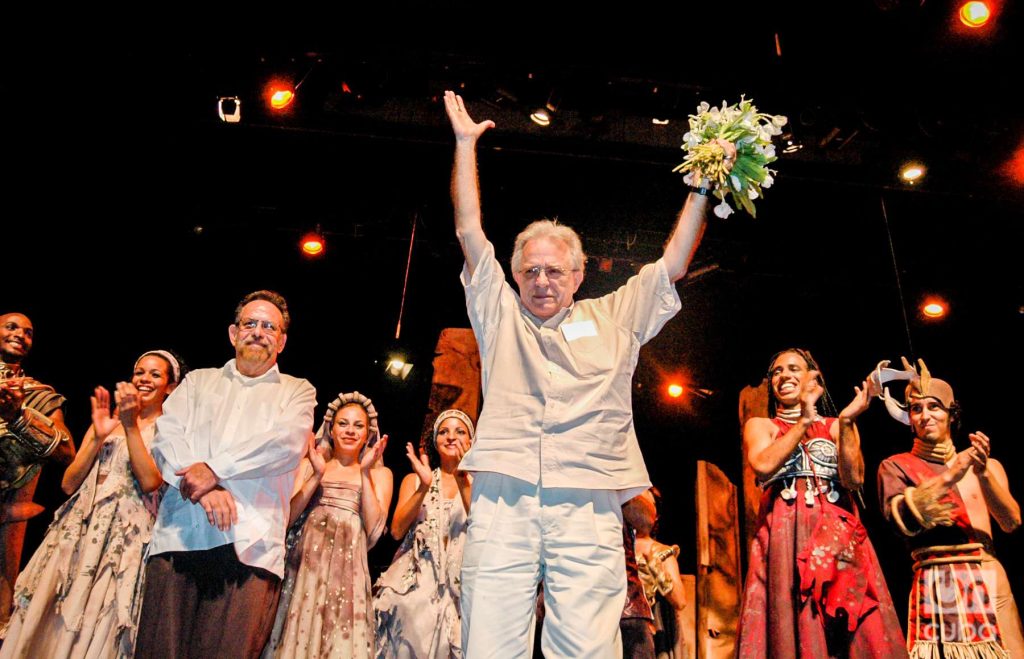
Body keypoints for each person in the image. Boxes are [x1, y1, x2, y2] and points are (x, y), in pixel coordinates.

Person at [443, 90, 721, 658]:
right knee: (489, 641)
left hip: (589, 497)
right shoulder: (499, 314)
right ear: (515, 275)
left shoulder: (615, 316)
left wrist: (702, 185)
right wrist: (466, 145)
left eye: (554, 270)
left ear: (578, 274)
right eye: (531, 270)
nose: (542, 280)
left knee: (588, 646)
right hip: (505, 494)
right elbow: (470, 232)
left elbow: (672, 264)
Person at [134, 290, 316, 659]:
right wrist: (203, 489)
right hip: (180, 537)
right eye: (250, 323)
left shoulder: (298, 390)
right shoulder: (198, 382)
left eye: (269, 326)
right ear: (234, 333)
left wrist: (215, 470)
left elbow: (285, 444)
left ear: (281, 341)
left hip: (251, 546)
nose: (258, 332)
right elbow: (167, 437)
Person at [0, 350, 184, 658]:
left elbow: (151, 481)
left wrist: (130, 426)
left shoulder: (170, 430)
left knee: (97, 615)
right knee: (53, 609)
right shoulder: (108, 421)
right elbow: (68, 483)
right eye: (139, 372)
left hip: (120, 539)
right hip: (78, 529)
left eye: (155, 374)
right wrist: (98, 437)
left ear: (170, 387)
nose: (144, 379)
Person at [736, 348, 906, 658]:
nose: (784, 376)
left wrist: (847, 420)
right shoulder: (762, 426)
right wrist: (803, 420)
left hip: (836, 536)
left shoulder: (834, 426)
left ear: (814, 380)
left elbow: (854, 478)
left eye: (793, 369)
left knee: (855, 626)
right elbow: (762, 464)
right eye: (777, 371)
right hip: (787, 538)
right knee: (795, 617)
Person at [876, 360, 1023, 658]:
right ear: (909, 418)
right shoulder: (896, 466)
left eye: (934, 407)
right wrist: (951, 475)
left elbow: (1011, 522)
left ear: (951, 413)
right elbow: (901, 519)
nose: (925, 415)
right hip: (939, 574)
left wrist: (981, 473)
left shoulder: (985, 464)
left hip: (988, 571)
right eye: (916, 409)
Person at [264, 391, 391, 659]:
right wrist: (317, 476)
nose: (350, 431)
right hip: (306, 568)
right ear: (331, 429)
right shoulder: (311, 466)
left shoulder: (380, 474)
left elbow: (376, 530)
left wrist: (365, 472)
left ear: (368, 433)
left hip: (348, 572)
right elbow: (286, 520)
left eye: (359, 426)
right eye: (343, 423)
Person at [374, 408, 474, 659]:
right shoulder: (414, 479)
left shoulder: (482, 483)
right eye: (444, 432)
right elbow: (396, 531)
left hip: (460, 584)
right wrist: (424, 487)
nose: (451, 437)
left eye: (460, 432)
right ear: (435, 441)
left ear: (471, 441)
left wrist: (464, 483)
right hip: (416, 583)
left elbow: (483, 527)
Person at [0, 312, 75, 628]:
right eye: (12, 327)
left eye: (28, 332)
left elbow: (66, 451)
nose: (20, 334)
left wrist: (19, 417)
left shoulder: (39, 396)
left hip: (9, 519)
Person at [629, 487, 685, 659]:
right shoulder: (619, 547)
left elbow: (680, 600)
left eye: (646, 505)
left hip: (649, 632)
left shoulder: (661, 552)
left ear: (655, 515)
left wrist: (656, 569)